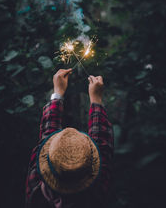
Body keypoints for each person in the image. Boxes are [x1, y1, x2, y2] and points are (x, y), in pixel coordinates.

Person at [25, 68, 114, 208]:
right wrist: (96, 99)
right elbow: (103, 143)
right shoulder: (96, 193)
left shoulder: (37, 189)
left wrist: (57, 94)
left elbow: (47, 133)